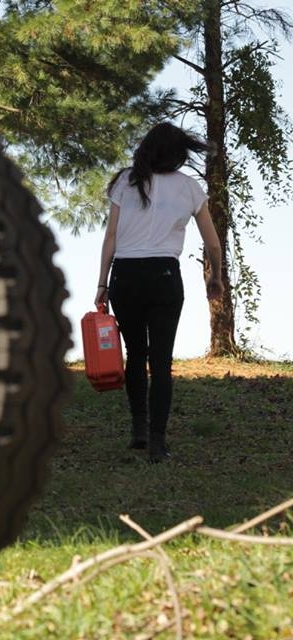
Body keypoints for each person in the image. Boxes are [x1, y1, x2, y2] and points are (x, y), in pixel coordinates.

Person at [96, 122, 224, 463]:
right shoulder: (189, 187)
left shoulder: (126, 181)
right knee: (161, 361)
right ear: (178, 153)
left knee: (136, 353)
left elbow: (111, 237)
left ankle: (139, 429)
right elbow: (212, 242)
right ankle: (157, 443)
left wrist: (102, 283)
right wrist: (215, 277)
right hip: (164, 275)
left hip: (125, 275)